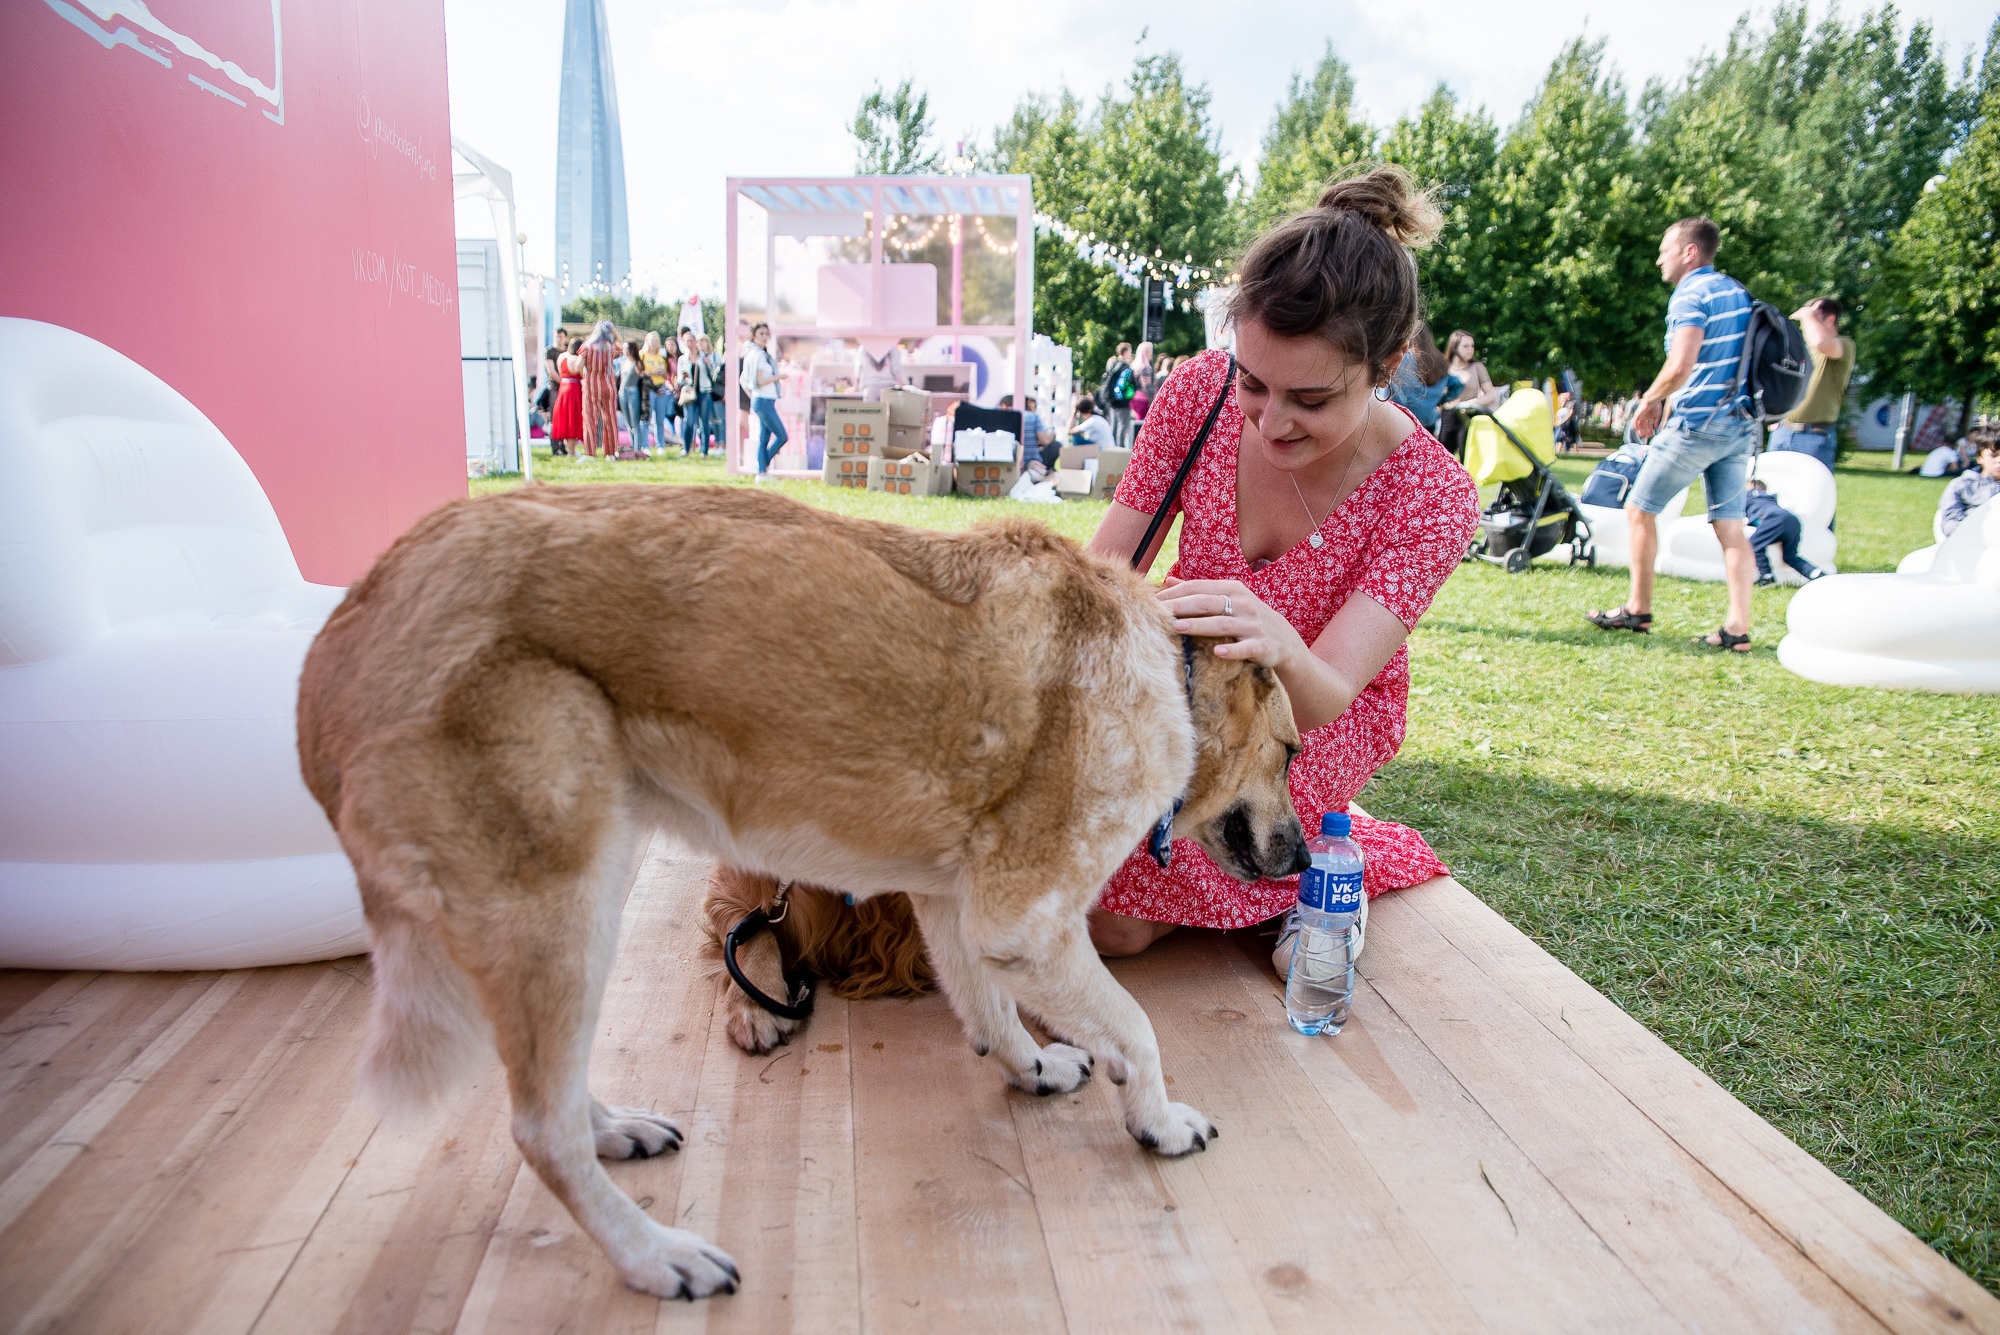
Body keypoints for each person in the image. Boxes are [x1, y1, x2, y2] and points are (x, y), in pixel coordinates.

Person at [1079, 165, 1478, 973]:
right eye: (1254, 382)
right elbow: (1100, 576)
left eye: (1312, 399)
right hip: (1183, 689)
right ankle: (1308, 864)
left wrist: (1276, 641)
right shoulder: (1197, 392)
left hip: (1312, 719)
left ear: (1389, 363)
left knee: (1112, 922)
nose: (1269, 421)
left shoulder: (1434, 492)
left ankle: (1333, 867)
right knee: (1068, 879)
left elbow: (1331, 689)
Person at [1587, 216, 1759, 651]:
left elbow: (1682, 364)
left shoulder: (1693, 293)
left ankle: (1638, 609)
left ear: (1689, 252)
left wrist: (1649, 400)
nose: (1659, 258)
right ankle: (1737, 629)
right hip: (1739, 424)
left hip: (1697, 423)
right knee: (1730, 527)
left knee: (1639, 508)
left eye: (1665, 249)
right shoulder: (1737, 292)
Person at [1768, 298, 1853, 470]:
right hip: (1782, 432)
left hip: (1814, 436)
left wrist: (1807, 315)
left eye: (1813, 318)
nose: (1803, 325)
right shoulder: (1801, 348)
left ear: (1830, 319)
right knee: (1770, 494)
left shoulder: (1845, 345)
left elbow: (1820, 342)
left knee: (1811, 496)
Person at [1745, 479, 1823, 585]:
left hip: (1774, 519)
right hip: (1792, 520)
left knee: (1754, 543)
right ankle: (1816, 574)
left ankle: (1766, 576)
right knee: (1790, 556)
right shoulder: (1769, 499)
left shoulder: (1750, 496)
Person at [1387, 320, 1459, 432]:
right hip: (1428, 419)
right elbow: (1458, 383)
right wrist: (1441, 400)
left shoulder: (1404, 358)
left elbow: (1386, 388)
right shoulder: (1439, 360)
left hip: (1403, 419)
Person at [1437, 329, 1499, 457]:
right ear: (1454, 347)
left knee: (1466, 455)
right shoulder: (1444, 368)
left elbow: (1491, 393)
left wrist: (1475, 403)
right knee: (1442, 456)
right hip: (1449, 415)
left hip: (1469, 416)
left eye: (1472, 346)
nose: (1470, 349)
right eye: (1465, 346)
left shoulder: (1477, 367)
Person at [1939, 427, 2000, 538]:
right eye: (1993, 455)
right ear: (1979, 457)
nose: (1999, 460)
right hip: (1973, 542)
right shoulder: (1961, 485)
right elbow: (1951, 520)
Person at [743, 322, 786, 478]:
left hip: (765, 400)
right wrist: (778, 377)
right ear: (754, 336)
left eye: (766, 334)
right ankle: (762, 466)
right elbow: (759, 381)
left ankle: (762, 471)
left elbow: (746, 381)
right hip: (763, 401)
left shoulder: (758, 354)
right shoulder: (758, 355)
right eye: (761, 334)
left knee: (764, 438)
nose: (765, 337)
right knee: (782, 436)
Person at [551, 337, 584, 457]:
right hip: (574, 389)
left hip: (563, 387)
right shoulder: (576, 359)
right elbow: (581, 373)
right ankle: (571, 450)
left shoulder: (561, 357)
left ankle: (570, 449)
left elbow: (560, 372)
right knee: (573, 419)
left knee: (565, 418)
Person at [618, 339, 651, 459]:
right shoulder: (623, 363)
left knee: (635, 423)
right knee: (627, 423)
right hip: (622, 393)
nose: (625, 351)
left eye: (627, 349)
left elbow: (644, 378)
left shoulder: (637, 364)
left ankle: (637, 448)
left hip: (632, 392)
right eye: (624, 349)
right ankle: (633, 446)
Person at [1101, 343, 1137, 448]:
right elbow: (1130, 385)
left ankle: (1111, 448)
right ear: (1125, 352)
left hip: (1111, 400)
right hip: (1122, 401)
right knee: (1122, 426)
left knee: (1113, 426)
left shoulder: (1113, 364)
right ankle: (1119, 449)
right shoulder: (1125, 367)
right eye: (1130, 352)